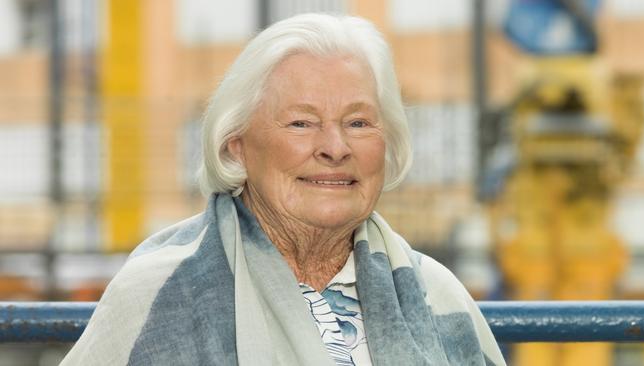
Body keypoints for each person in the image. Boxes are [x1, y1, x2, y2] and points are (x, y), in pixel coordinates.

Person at [61, 13, 505, 366]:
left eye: (358, 122)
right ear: (236, 147)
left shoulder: (436, 293)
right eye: (301, 123)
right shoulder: (158, 293)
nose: (335, 147)